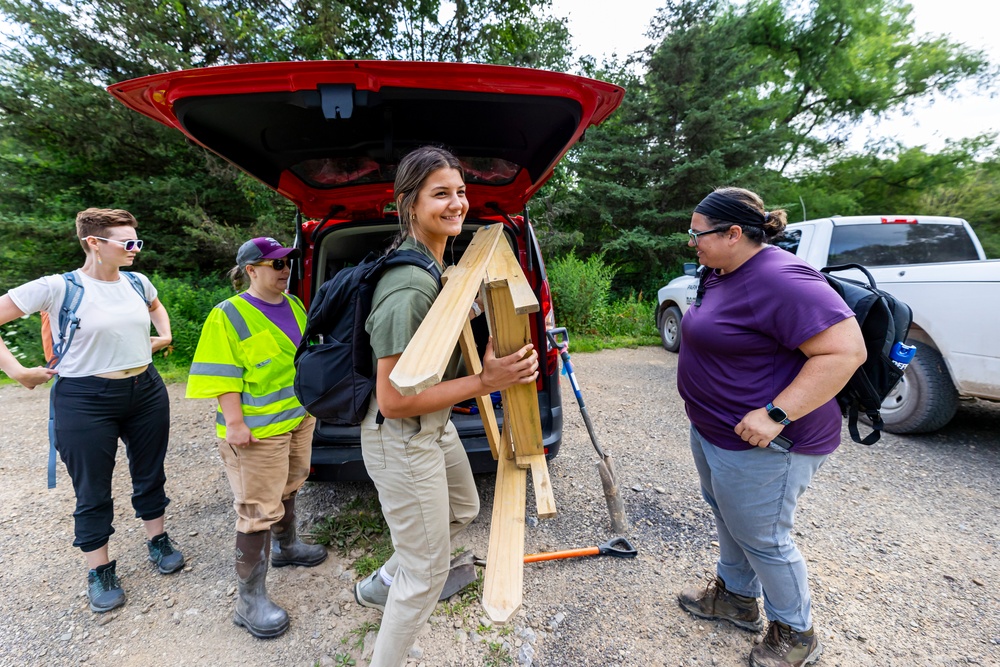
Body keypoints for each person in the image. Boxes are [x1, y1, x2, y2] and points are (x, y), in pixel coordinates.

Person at [352, 146, 539, 667]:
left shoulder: (441, 267)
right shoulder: (408, 285)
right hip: (401, 436)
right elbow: (392, 398)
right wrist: (485, 381)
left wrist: (491, 341)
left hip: (431, 428)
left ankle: (377, 586)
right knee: (427, 573)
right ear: (410, 204)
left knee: (464, 507)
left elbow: (444, 339)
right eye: (441, 194)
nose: (457, 203)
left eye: (460, 191)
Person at [675, 188, 867, 667]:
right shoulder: (721, 271)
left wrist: (776, 413)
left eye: (698, 234)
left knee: (765, 537)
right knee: (728, 514)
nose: (691, 242)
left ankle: (796, 633)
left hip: (770, 442)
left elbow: (846, 352)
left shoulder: (782, 278)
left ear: (734, 233)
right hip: (718, 431)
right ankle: (737, 599)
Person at [0, 208, 183, 613]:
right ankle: (99, 570)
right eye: (127, 242)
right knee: (92, 487)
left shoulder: (138, 281)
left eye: (138, 240)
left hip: (147, 389)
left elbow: (155, 306)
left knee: (151, 470)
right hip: (84, 399)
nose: (136, 249)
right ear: (94, 244)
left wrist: (164, 335)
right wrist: (17, 371)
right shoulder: (57, 287)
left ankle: (158, 539)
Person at [186, 237, 326, 639]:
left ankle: (287, 548)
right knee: (256, 508)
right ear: (251, 269)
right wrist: (234, 423)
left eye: (287, 263)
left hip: (297, 419)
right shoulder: (228, 314)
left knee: (290, 484)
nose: (284, 270)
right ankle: (249, 603)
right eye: (275, 264)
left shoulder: (295, 305)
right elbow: (221, 373)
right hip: (255, 432)